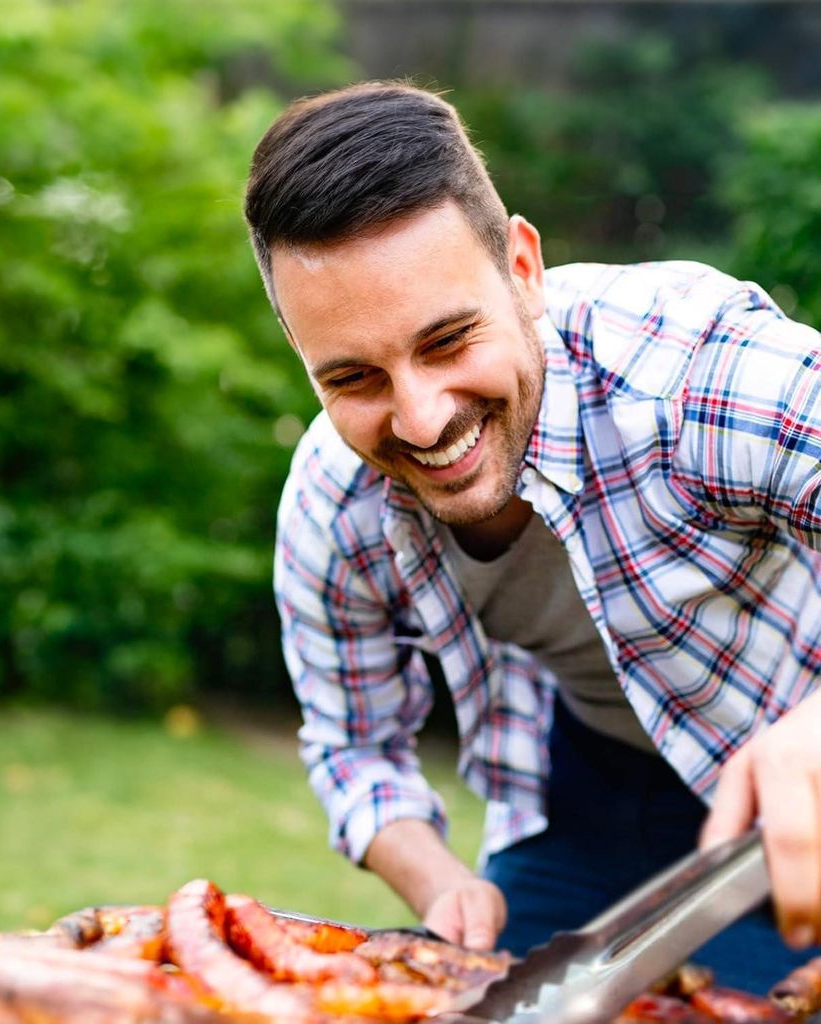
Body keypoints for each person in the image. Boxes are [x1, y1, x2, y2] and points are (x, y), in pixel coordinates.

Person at [243, 81, 821, 992]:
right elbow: (353, 746)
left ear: (523, 268)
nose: (421, 419)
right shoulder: (332, 502)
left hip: (793, 789)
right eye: (353, 378)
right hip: (575, 794)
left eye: (447, 341)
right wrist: (439, 883)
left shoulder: (693, 372)